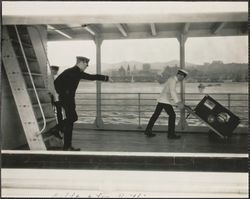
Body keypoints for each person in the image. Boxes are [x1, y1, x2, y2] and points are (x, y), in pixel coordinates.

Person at [54, 56, 109, 151]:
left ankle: (66, 145)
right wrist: (64, 92)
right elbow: (56, 82)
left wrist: (105, 78)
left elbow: (91, 77)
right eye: (86, 63)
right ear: (80, 62)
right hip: (66, 99)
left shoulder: (75, 72)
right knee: (72, 119)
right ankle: (57, 131)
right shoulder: (72, 71)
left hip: (69, 99)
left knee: (70, 121)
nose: (87, 65)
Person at [144, 69, 188, 139]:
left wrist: (178, 101)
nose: (182, 79)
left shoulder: (172, 79)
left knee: (155, 115)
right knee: (172, 115)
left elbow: (172, 92)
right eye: (182, 77)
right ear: (180, 75)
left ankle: (147, 130)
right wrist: (178, 102)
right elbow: (172, 91)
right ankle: (171, 134)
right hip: (164, 100)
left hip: (162, 99)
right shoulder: (173, 80)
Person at [47, 65, 64, 139]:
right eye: (55, 70)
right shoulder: (49, 77)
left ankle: (59, 127)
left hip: (56, 97)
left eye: (56, 70)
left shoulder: (53, 77)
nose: (56, 72)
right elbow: (51, 88)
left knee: (59, 112)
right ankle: (58, 128)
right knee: (58, 112)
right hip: (54, 97)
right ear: (52, 70)